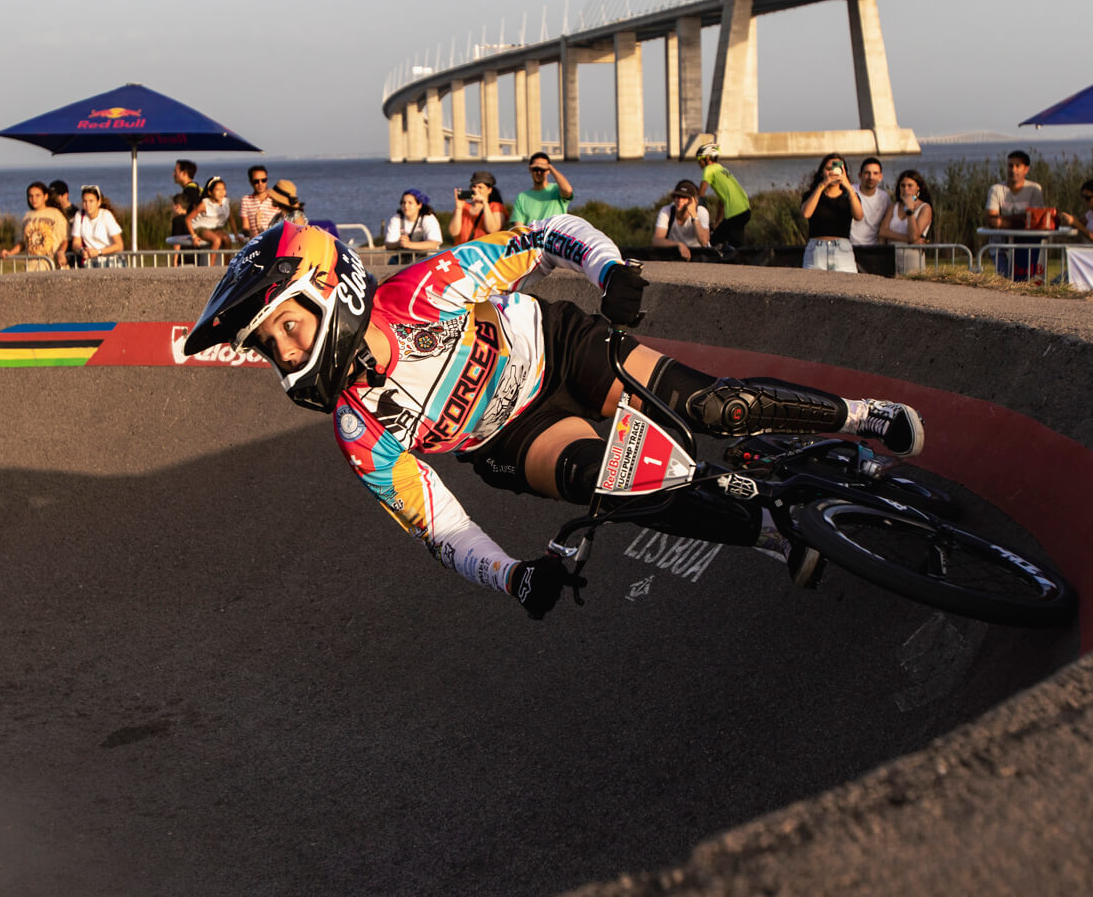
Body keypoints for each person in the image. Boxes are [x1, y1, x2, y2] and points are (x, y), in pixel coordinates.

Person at [183, 217, 926, 617]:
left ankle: (858, 418)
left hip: (563, 352)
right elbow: (440, 527)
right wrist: (511, 579)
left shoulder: (426, 288)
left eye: (288, 328)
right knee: (619, 483)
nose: (286, 355)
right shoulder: (358, 431)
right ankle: (764, 530)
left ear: (333, 291)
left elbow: (542, 238)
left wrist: (611, 272)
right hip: (515, 437)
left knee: (715, 408)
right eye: (270, 348)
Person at [986, 150, 1045, 280]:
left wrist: (1003, 220)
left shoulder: (1035, 189)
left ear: (1026, 169)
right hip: (1000, 246)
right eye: (1010, 165)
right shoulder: (995, 189)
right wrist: (1022, 219)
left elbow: (1035, 220)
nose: (1013, 169)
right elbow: (992, 221)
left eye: (1017, 166)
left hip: (1026, 245)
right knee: (1004, 281)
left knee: (1024, 281)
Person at [801, 155, 864, 272]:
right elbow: (806, 213)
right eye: (829, 169)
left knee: (848, 287)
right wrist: (822, 185)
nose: (833, 172)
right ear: (821, 172)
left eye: (838, 168)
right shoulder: (813, 194)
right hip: (816, 249)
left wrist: (848, 186)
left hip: (842, 249)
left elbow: (859, 216)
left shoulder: (849, 196)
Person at [693, 143, 751, 250]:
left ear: (706, 159)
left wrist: (695, 210)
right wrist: (717, 222)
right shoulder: (722, 170)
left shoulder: (708, 169)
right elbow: (721, 202)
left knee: (714, 240)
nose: (698, 163)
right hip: (745, 210)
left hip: (735, 213)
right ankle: (741, 261)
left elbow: (701, 193)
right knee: (736, 244)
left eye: (699, 160)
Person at [0, 181, 68, 271]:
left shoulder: (55, 214)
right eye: (30, 196)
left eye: (37, 195)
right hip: (32, 266)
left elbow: (65, 239)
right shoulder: (27, 216)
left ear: (45, 196)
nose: (33, 199)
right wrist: (10, 253)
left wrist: (61, 252)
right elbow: (23, 242)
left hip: (52, 265)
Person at [879, 170, 933, 274]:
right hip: (892, 255)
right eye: (903, 186)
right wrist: (909, 239)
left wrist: (910, 210)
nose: (905, 189)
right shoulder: (894, 206)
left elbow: (914, 235)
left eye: (910, 186)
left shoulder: (925, 208)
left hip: (911, 257)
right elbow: (883, 231)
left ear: (918, 188)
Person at [510, 153, 573, 226]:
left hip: (555, 236)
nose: (539, 172)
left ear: (548, 171)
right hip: (533, 236)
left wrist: (550, 168)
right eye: (535, 169)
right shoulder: (522, 197)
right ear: (530, 170)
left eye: (542, 169)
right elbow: (519, 227)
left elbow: (568, 191)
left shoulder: (557, 190)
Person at [652, 180, 711, 258]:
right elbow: (657, 241)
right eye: (677, 196)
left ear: (693, 200)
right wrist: (679, 244)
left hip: (699, 255)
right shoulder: (667, 211)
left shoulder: (701, 212)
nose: (680, 200)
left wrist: (694, 215)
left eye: (684, 197)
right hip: (677, 253)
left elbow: (704, 241)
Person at [71, 185, 125, 266]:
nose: (87, 205)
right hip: (90, 262)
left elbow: (119, 245)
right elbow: (75, 243)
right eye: (85, 201)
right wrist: (81, 251)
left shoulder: (106, 215)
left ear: (98, 202)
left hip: (111, 261)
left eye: (91, 201)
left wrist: (99, 252)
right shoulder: (79, 215)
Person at [450, 171, 508, 244]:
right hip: (463, 252)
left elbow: (492, 230)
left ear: (489, 190)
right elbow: (453, 232)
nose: (475, 190)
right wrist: (459, 208)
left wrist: (485, 204)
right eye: (474, 186)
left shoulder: (496, 207)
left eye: (480, 187)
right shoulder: (464, 207)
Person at [384, 189, 443, 259]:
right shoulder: (396, 219)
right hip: (405, 260)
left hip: (427, 260)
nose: (406, 206)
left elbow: (434, 243)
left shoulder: (428, 218)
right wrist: (399, 243)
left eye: (410, 203)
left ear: (419, 205)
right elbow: (388, 244)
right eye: (403, 203)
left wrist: (409, 244)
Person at [1058, 180, 1093, 292]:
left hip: (1088, 264)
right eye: (1083, 197)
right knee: (1058, 282)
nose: (1085, 201)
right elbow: (1079, 223)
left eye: (1088, 198)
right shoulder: (1090, 214)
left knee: (1058, 283)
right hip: (1086, 263)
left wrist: (1075, 223)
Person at [188, 174, 234, 257]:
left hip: (216, 228)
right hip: (201, 228)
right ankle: (211, 267)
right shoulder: (205, 204)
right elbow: (188, 219)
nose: (221, 192)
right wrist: (194, 236)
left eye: (223, 189)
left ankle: (227, 265)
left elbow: (231, 219)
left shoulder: (225, 203)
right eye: (217, 189)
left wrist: (237, 235)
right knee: (216, 240)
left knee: (227, 239)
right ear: (210, 192)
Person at [850, 158, 891, 249]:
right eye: (867, 173)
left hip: (873, 249)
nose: (871, 177)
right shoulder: (850, 191)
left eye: (875, 173)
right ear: (860, 175)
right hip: (849, 247)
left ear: (881, 177)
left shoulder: (884, 197)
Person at [48, 180, 80, 268]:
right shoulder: (50, 213)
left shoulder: (76, 213)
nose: (52, 199)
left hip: (72, 257)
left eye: (55, 196)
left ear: (65, 195)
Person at [171, 160, 202, 245]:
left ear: (184, 173)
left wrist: (182, 213)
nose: (173, 175)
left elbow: (197, 211)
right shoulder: (196, 188)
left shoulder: (190, 191)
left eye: (175, 171)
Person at [240, 167, 278, 237]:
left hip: (273, 237)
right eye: (256, 181)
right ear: (251, 182)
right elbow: (245, 227)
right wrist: (250, 233)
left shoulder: (276, 199)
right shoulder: (246, 200)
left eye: (263, 180)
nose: (260, 184)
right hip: (255, 240)